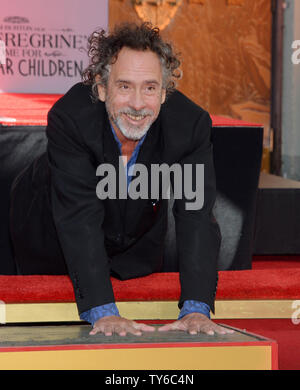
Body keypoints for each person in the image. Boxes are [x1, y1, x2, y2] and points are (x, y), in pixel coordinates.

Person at [10, 22, 233, 337]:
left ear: (165, 92)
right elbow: (78, 216)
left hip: (130, 236)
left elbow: (196, 216)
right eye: (125, 86)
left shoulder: (190, 127)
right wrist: (103, 310)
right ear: (102, 88)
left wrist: (197, 309)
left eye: (150, 88)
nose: (138, 104)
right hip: (48, 225)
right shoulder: (71, 119)